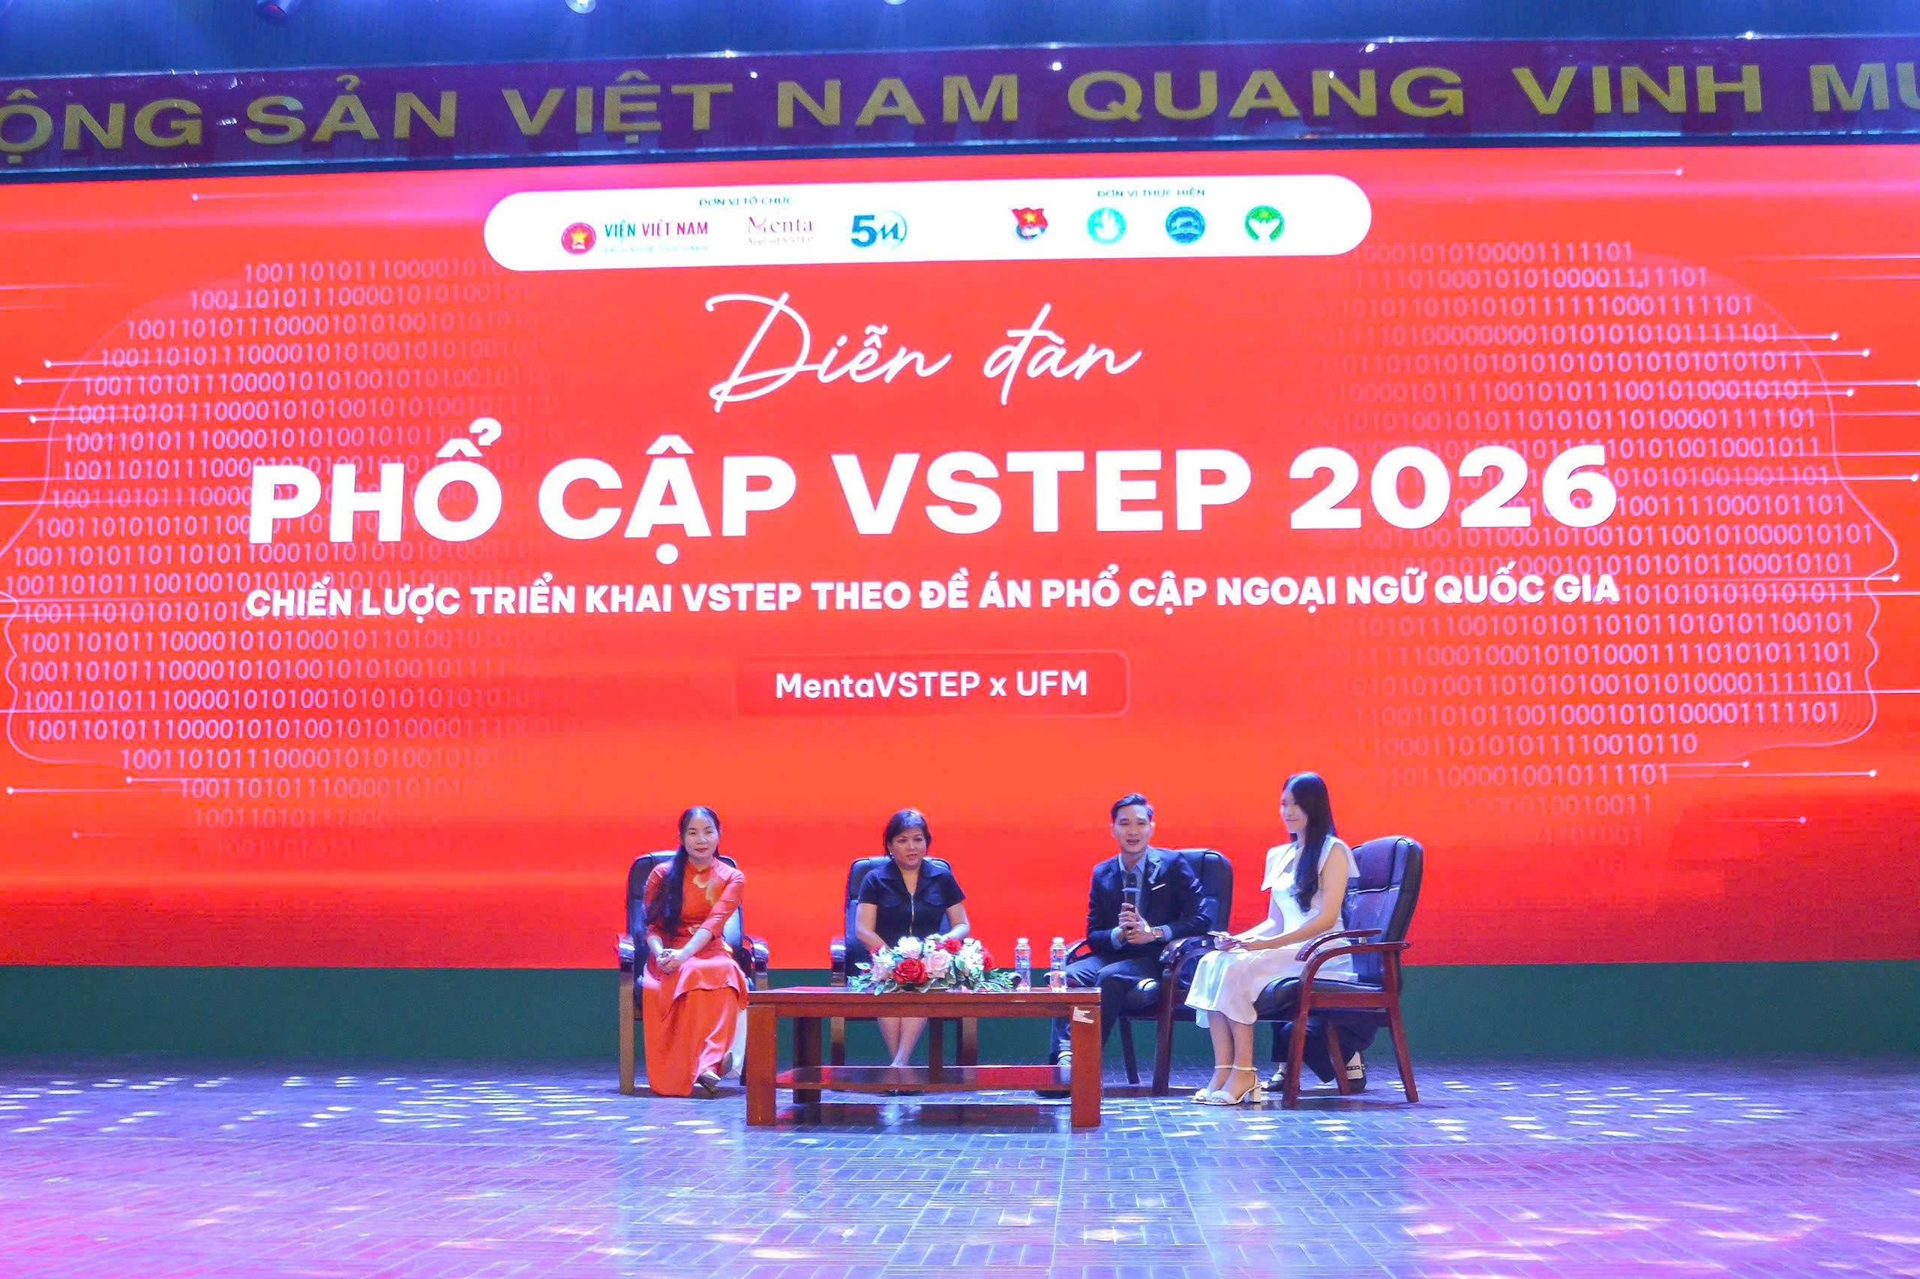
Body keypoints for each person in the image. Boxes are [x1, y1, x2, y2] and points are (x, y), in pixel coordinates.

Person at [1184, 773, 1357, 1105]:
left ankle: (1245, 1073)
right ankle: (1223, 1070)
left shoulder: (1334, 850)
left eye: (1297, 804)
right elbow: (1274, 922)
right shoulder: (1279, 855)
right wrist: (1239, 940)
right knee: (1213, 961)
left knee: (1238, 968)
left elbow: (1325, 919)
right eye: (1284, 804)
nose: (1288, 811)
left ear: (1315, 806)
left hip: (1321, 952)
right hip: (1285, 950)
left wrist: (1264, 946)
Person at [1048, 793, 1208, 1070]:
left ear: (1151, 828)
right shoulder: (1103, 872)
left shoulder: (1173, 865)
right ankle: (1062, 1060)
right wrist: (1118, 934)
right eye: (1124, 823)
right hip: (1115, 953)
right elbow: (1093, 934)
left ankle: (1082, 1067)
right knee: (1066, 975)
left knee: (1109, 977)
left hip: (1157, 957)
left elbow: (1202, 919)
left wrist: (1154, 932)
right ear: (1113, 829)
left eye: (1140, 823)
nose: (1133, 831)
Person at [641, 806, 747, 1098]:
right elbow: (651, 927)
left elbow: (714, 923)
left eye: (708, 832)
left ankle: (707, 1065)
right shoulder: (662, 874)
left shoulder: (732, 877)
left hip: (709, 949)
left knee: (726, 972)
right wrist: (662, 954)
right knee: (694, 973)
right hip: (667, 952)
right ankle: (701, 1067)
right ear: (681, 837)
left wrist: (684, 956)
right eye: (693, 833)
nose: (701, 839)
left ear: (719, 834)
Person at [854, 809, 970, 1068]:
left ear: (927, 842)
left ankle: (898, 1066)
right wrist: (893, 959)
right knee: (889, 986)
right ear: (890, 846)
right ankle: (901, 1067)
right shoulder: (874, 880)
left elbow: (962, 925)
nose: (912, 847)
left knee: (922, 981)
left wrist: (941, 943)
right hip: (886, 960)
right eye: (903, 840)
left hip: (931, 963)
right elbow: (863, 930)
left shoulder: (942, 877)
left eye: (918, 839)